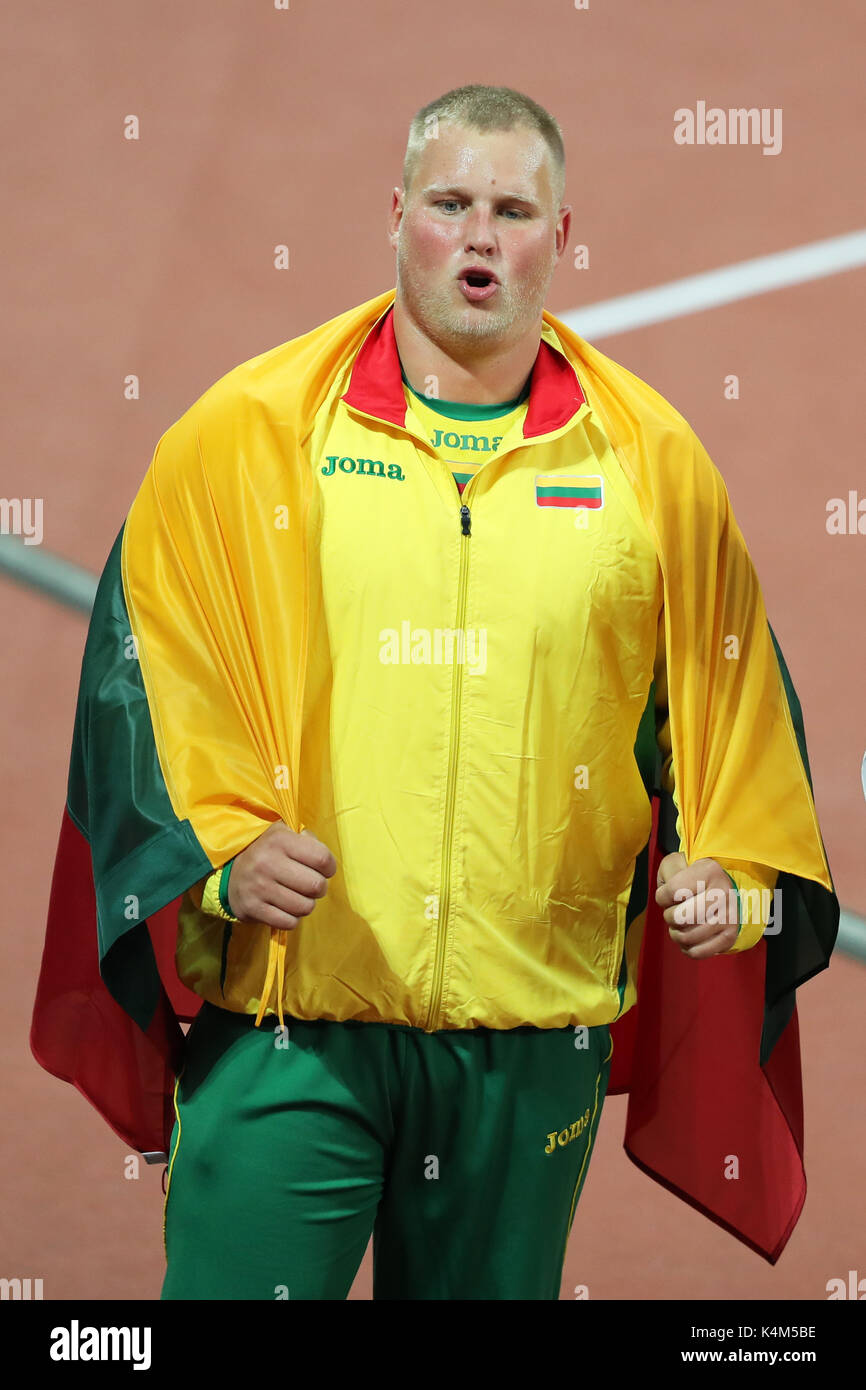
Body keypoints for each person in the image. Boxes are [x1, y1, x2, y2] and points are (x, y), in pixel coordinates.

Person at [31, 84, 838, 1301]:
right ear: (394, 212)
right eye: (450, 202)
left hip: (527, 1053)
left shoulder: (652, 466)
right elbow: (145, 670)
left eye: (512, 210)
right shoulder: (250, 433)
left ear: (559, 240)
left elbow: (729, 707)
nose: (478, 234)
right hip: (290, 1027)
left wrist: (735, 874)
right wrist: (219, 851)